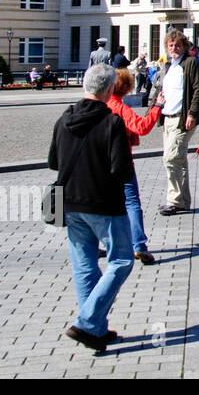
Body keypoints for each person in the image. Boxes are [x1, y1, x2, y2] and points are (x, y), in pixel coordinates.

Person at [48, 63, 134, 352]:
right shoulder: (112, 122)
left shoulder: (63, 118)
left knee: (84, 265)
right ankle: (87, 322)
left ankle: (95, 329)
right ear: (110, 90)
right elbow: (121, 170)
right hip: (104, 203)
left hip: (70, 201)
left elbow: (54, 163)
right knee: (121, 260)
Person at [105, 69, 163, 265]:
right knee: (131, 203)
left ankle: (107, 243)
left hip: (100, 164)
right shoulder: (120, 108)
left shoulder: (101, 106)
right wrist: (157, 107)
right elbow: (142, 127)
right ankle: (138, 245)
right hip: (122, 162)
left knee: (106, 204)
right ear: (126, 88)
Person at [158, 31, 199, 216]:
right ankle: (183, 201)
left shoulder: (191, 63)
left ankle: (174, 201)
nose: (173, 48)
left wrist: (192, 113)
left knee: (170, 158)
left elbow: (198, 90)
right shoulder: (171, 65)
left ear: (184, 46)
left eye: (177, 45)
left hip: (182, 117)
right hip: (168, 117)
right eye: (170, 45)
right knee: (179, 160)